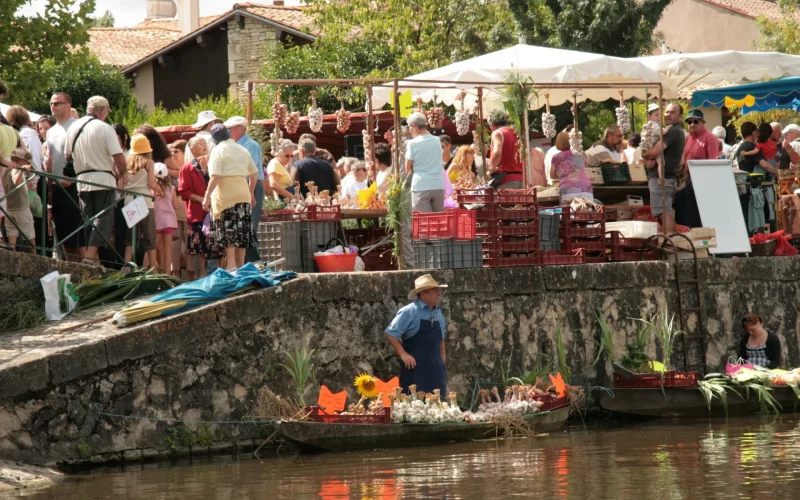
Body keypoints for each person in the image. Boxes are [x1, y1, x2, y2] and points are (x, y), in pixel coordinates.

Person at [65, 96, 127, 266]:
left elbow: (67, 156)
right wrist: (124, 173)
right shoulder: (104, 128)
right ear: (103, 110)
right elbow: (119, 157)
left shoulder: (73, 127)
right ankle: (89, 257)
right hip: (103, 179)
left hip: (82, 180)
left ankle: (93, 260)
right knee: (104, 219)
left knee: (88, 220)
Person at [202, 124, 258, 271]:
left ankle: (232, 266)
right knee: (242, 233)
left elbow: (215, 176)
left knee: (230, 233)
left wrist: (206, 197)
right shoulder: (242, 149)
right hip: (243, 195)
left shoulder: (217, 150)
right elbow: (254, 173)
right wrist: (251, 192)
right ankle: (241, 266)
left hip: (226, 197)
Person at [384, 274, 448, 395]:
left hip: (436, 370)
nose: (438, 293)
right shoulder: (409, 311)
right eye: (435, 291)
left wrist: (442, 359)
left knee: (437, 409)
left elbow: (441, 338)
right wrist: (403, 354)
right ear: (423, 294)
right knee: (414, 408)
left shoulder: (438, 312)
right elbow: (390, 333)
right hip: (415, 372)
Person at [44, 92, 85, 261]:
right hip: (57, 188)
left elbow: (83, 155)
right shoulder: (51, 131)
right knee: (63, 236)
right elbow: (50, 159)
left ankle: (85, 273)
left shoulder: (77, 126)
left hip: (74, 186)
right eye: (52, 103)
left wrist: (72, 177)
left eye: (58, 103)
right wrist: (49, 185)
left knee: (77, 236)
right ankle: (72, 274)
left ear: (68, 106)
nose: (53, 106)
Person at [179, 136, 222, 279]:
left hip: (215, 208)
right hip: (197, 210)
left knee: (218, 241)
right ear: (192, 149)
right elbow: (183, 191)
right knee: (200, 246)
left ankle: (221, 271)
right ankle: (202, 273)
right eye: (200, 144)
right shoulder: (187, 167)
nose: (204, 145)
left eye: (205, 143)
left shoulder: (213, 163)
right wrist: (201, 199)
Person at [224, 116, 265, 263]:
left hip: (250, 187)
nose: (228, 132)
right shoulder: (236, 145)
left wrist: (250, 193)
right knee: (243, 227)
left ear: (241, 129)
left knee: (249, 227)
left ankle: (254, 263)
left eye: (231, 129)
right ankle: (249, 263)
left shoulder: (250, 145)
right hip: (242, 188)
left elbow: (251, 173)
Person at [642, 103, 686, 235]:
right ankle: (672, 242)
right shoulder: (674, 130)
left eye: (672, 112)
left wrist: (644, 154)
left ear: (680, 116)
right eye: (666, 112)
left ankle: (670, 241)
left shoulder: (672, 131)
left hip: (662, 178)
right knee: (665, 211)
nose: (668, 115)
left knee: (664, 212)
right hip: (668, 177)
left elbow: (653, 152)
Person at [678, 109, 720, 229]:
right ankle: (696, 238)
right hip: (689, 178)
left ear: (703, 122)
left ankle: (704, 240)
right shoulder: (688, 138)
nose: (692, 124)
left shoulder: (710, 138)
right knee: (691, 213)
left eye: (695, 121)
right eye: (689, 122)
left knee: (701, 214)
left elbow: (713, 161)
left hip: (704, 178)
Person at [123, 134, 161, 268]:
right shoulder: (149, 163)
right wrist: (159, 189)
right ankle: (152, 267)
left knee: (130, 237)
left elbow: (120, 186)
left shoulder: (126, 162)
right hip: (144, 201)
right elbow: (151, 184)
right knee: (149, 236)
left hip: (129, 200)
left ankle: (126, 266)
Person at [405, 112, 445, 212]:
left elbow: (407, 169)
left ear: (414, 126)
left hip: (421, 185)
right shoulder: (437, 140)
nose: (409, 130)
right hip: (438, 185)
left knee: (424, 222)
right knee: (438, 221)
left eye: (409, 127)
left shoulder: (412, 143)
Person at [2, 148, 36, 252]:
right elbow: (16, 181)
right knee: (30, 235)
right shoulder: (17, 169)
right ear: (22, 162)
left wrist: (28, 176)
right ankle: (36, 256)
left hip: (9, 207)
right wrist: (22, 171)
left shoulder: (5, 167)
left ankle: (12, 255)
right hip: (21, 208)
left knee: (11, 233)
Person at [550, 132, 593, 204]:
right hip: (585, 188)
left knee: (569, 214)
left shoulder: (556, 157)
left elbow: (552, 175)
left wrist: (562, 173)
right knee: (586, 213)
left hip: (567, 190)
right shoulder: (579, 152)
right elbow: (586, 165)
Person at [487, 110, 524, 189]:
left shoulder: (497, 133)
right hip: (521, 179)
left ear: (492, 125)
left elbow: (497, 152)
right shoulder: (517, 133)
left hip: (505, 180)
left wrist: (491, 169)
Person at [153, 162, 178, 274]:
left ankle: (153, 271)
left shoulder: (152, 190)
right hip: (169, 221)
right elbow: (176, 206)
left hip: (156, 221)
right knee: (168, 248)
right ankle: (167, 273)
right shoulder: (171, 189)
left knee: (154, 247)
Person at [5, 105, 42, 172]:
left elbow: (34, 156)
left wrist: (34, 177)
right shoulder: (19, 133)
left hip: (29, 176)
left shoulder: (28, 133)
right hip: (21, 175)